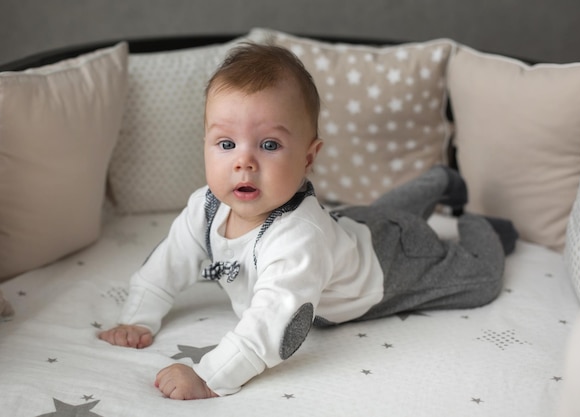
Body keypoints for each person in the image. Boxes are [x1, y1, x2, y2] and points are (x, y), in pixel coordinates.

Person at [99, 42, 517, 400]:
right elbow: (168, 260)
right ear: (206, 145)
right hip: (349, 229)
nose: (244, 161)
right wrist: (138, 316)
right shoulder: (206, 206)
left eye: (269, 144)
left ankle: (479, 223)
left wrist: (208, 376)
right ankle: (438, 180)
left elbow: (272, 326)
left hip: (390, 266)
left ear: (308, 157)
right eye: (226, 143)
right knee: (383, 216)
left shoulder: (298, 238)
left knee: (474, 277)